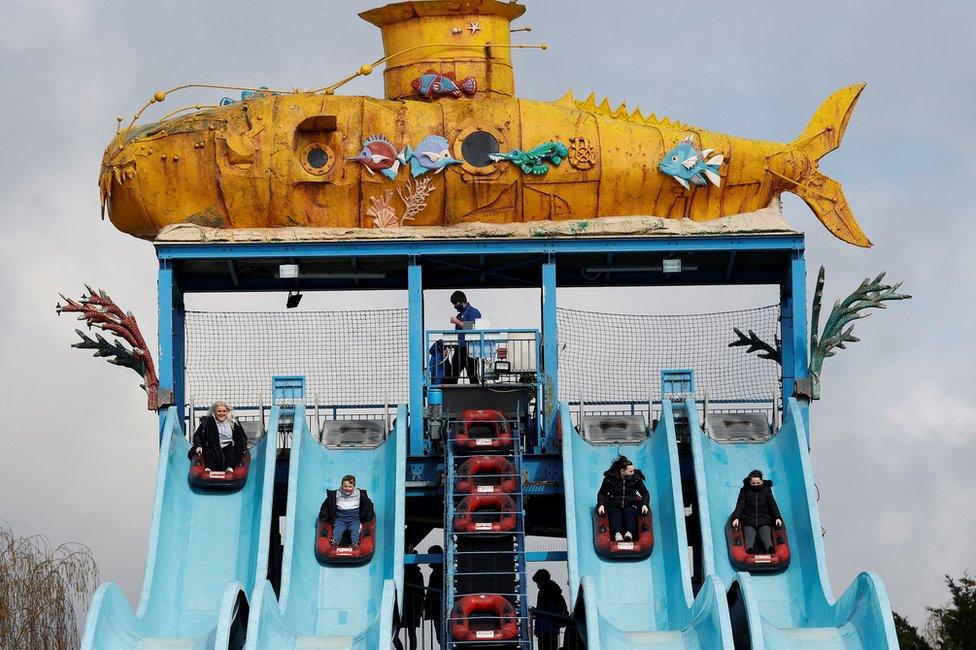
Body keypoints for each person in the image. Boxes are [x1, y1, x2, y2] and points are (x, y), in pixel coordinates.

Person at [596, 456, 650, 542]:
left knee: (629, 515)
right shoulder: (610, 479)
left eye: (633, 470)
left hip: (630, 503)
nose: (633, 473)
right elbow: (602, 493)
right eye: (630, 471)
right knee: (615, 516)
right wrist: (601, 504)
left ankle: (629, 533)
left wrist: (645, 504)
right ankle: (617, 534)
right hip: (614, 504)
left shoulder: (635, 479)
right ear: (622, 471)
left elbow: (645, 493)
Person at [731, 469, 783, 555]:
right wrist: (736, 518)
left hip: (763, 520)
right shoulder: (745, 491)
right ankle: (749, 552)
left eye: (758, 483)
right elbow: (740, 505)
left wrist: (777, 517)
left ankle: (770, 550)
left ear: (762, 481)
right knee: (749, 539)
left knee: (766, 537)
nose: (756, 485)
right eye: (753, 483)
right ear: (749, 482)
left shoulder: (766, 490)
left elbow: (772, 504)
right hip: (749, 520)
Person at [317, 475, 375, 548]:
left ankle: (355, 543)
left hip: (354, 519)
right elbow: (325, 506)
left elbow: (368, 505)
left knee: (355, 531)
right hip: (340, 519)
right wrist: (324, 517)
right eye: (345, 486)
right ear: (341, 486)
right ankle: (335, 541)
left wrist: (368, 518)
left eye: (350, 486)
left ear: (354, 486)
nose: (347, 488)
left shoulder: (359, 494)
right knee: (337, 530)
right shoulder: (336, 494)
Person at [188, 401, 248, 471]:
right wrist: (199, 446)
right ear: (214, 413)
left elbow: (242, 437)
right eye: (219, 411)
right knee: (208, 450)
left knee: (232, 451)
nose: (222, 413)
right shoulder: (207, 423)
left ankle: (230, 467)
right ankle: (209, 468)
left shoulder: (234, 423)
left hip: (228, 447)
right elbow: (197, 436)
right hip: (214, 448)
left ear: (227, 412)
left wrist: (243, 447)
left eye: (224, 411)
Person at [448, 290, 482, 384]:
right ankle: (450, 395)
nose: (455, 306)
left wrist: (457, 322)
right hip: (459, 348)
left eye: (455, 303)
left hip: (471, 349)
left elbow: (473, 327)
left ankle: (477, 396)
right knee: (453, 374)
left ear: (462, 301)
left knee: (472, 375)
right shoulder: (459, 315)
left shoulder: (473, 312)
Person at [394, 546, 424, 650]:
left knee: (404, 632)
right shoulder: (410, 573)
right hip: (408, 606)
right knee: (408, 632)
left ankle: (402, 648)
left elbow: (420, 592)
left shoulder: (411, 573)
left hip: (408, 606)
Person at [531, 569, 568, 650]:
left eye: (538, 582)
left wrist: (534, 611)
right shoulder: (556, 592)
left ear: (542, 581)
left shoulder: (544, 592)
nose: (537, 585)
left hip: (545, 628)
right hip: (552, 628)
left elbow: (542, 611)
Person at [423, 545, 444, 644]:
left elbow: (431, 591)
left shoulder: (436, 574)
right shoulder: (444, 572)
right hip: (438, 608)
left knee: (440, 634)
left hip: (437, 608)